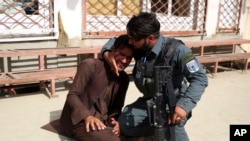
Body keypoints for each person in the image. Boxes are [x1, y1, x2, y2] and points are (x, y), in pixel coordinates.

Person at [101, 12, 208, 141]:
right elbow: (115, 40)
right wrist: (107, 53)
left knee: (172, 126)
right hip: (150, 101)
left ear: (150, 38)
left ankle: (166, 128)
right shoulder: (139, 45)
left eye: (133, 39)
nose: (130, 42)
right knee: (124, 124)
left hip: (172, 102)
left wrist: (183, 106)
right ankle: (155, 134)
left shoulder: (179, 50)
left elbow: (200, 78)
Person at [60, 34, 134, 141]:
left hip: (103, 123)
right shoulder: (90, 65)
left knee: (134, 134)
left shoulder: (124, 79)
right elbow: (72, 95)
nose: (124, 61)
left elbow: (117, 107)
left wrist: (114, 121)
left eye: (129, 58)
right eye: (122, 54)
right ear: (112, 49)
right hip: (81, 121)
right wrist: (87, 116)